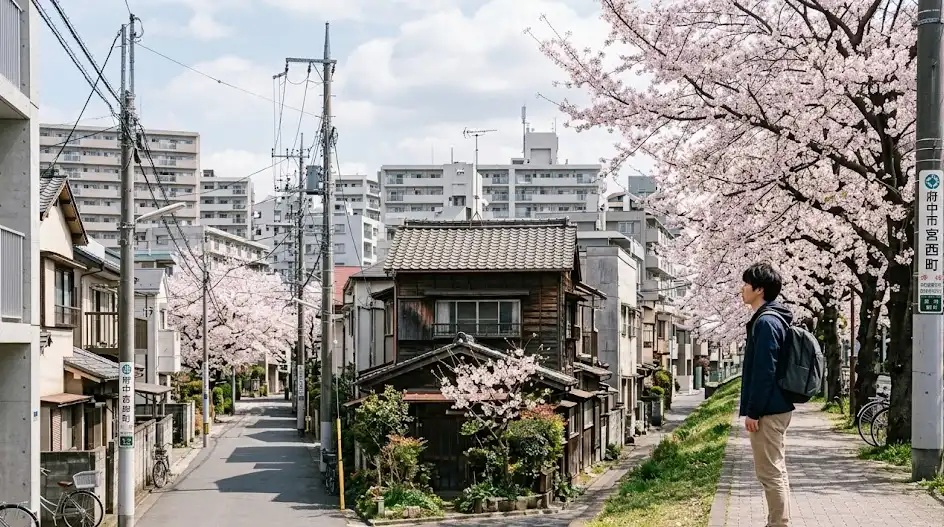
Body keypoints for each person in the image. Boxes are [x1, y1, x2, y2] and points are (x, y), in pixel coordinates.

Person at [740, 262, 795, 527]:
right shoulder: (774, 318)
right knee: (776, 469)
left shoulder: (766, 322)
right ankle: (779, 521)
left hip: (768, 410)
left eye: (746, 284)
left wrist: (753, 411)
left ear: (759, 289)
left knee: (769, 471)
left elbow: (764, 371)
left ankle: (778, 524)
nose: (742, 289)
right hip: (776, 405)